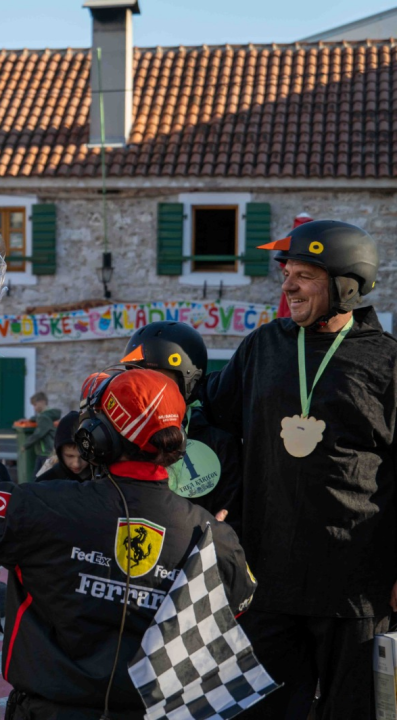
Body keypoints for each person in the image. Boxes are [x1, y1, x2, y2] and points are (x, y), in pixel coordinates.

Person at [0, 369, 257, 719]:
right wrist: (215, 548)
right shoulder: (210, 536)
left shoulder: (43, 507)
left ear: (96, 437)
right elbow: (237, 604)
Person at [198, 220, 395, 720]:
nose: (288, 285)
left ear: (346, 284)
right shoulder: (262, 347)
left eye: (305, 274)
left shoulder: (387, 363)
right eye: (287, 273)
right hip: (268, 579)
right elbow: (210, 419)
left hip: (355, 586)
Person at [121, 322, 242, 523]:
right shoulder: (119, 435)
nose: (145, 390)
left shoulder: (218, 443)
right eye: (137, 378)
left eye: (157, 380)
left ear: (188, 382)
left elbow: (230, 518)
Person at [34, 410, 91, 482]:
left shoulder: (100, 474)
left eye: (83, 456)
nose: (76, 464)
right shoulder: (47, 477)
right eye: (69, 456)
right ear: (59, 452)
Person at [23, 392, 60, 463]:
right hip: (49, 450)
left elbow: (39, 433)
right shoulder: (49, 415)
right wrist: (30, 419)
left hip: (45, 451)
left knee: (39, 473)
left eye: (35, 405)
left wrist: (25, 445)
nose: (34, 408)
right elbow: (39, 418)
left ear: (42, 402)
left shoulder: (43, 418)